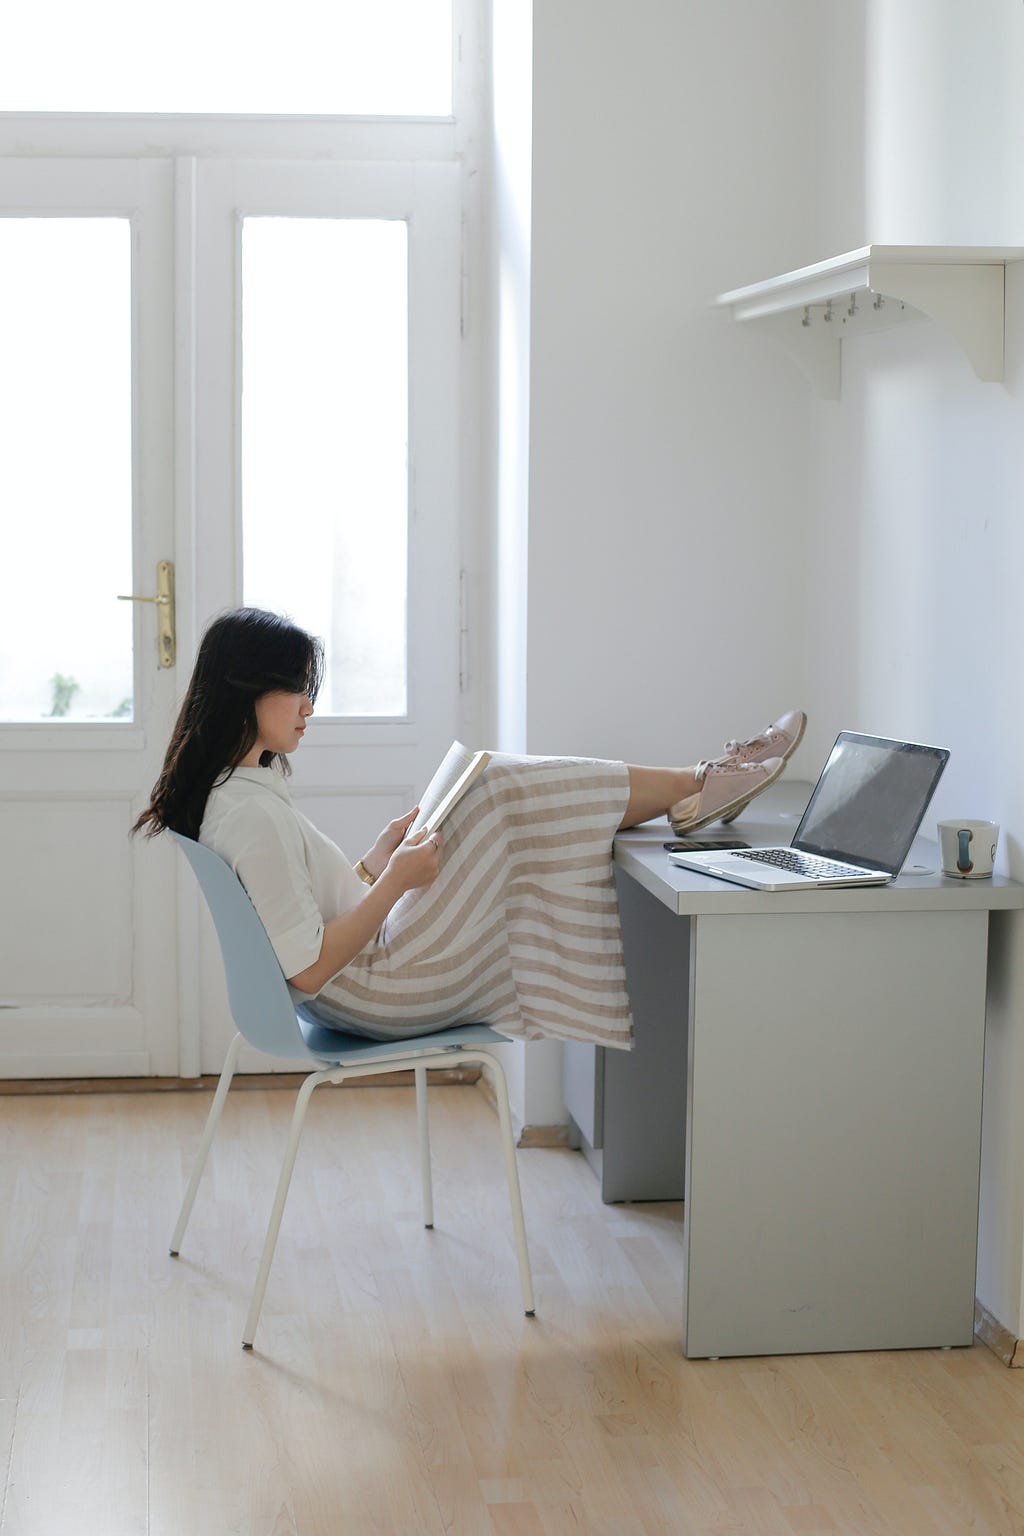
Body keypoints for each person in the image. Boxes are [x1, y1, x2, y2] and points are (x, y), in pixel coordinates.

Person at [135, 608, 805, 1048]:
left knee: (480, 787)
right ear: (245, 689)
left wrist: (373, 864)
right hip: (377, 995)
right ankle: (698, 782)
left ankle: (696, 784)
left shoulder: (244, 790)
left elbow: (304, 921)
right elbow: (308, 970)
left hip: (369, 981)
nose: (310, 706)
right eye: (297, 688)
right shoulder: (249, 812)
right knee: (489, 788)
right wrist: (395, 882)